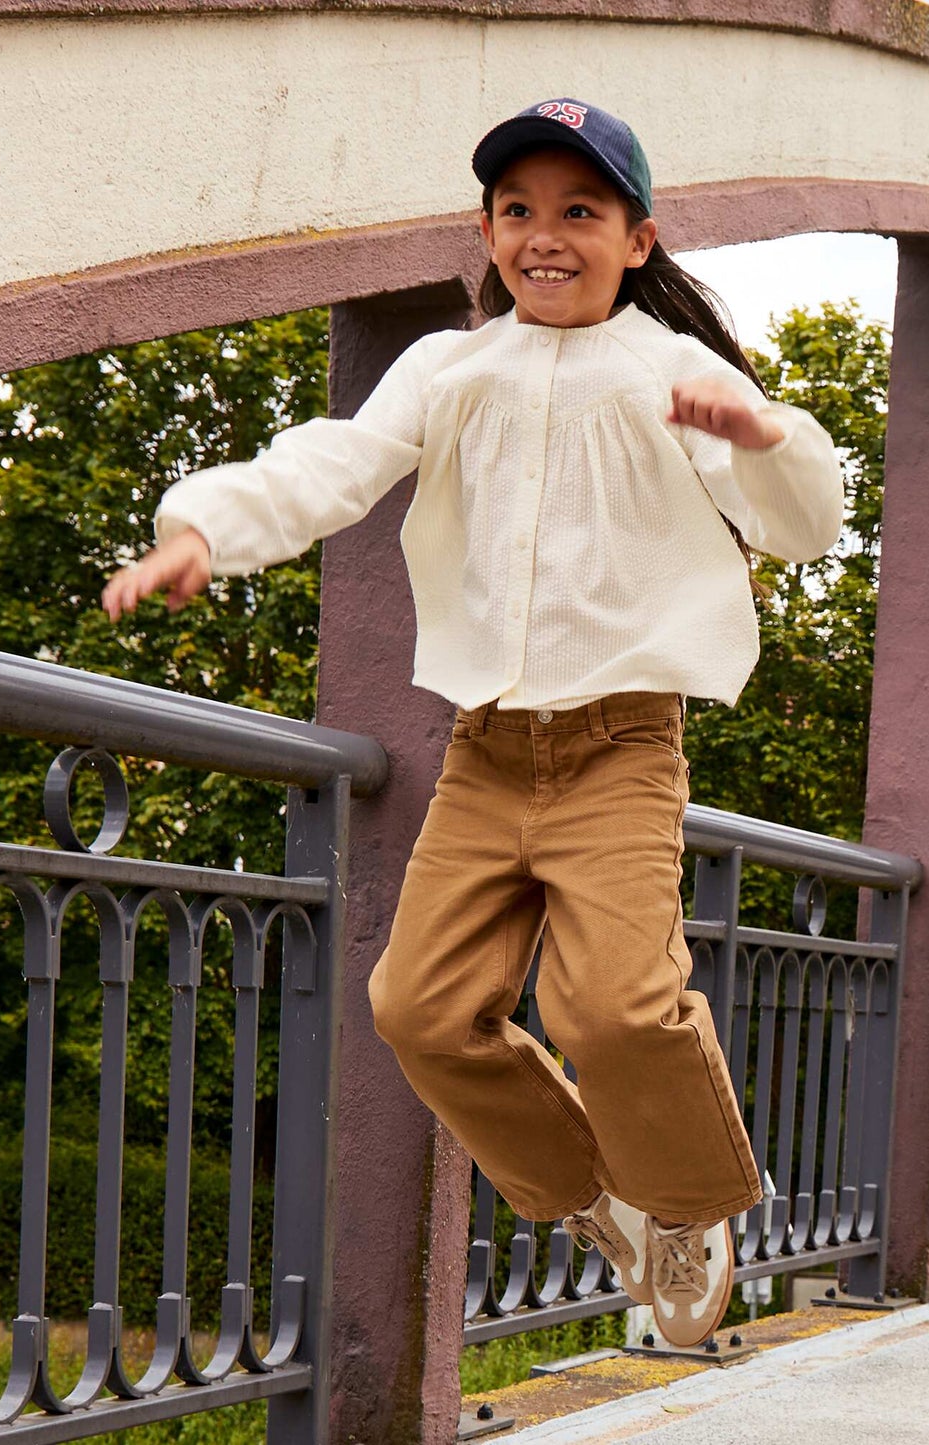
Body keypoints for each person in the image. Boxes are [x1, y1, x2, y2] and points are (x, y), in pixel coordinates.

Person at [102, 98, 843, 1349]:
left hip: (617, 742)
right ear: (486, 230)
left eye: (578, 213)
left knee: (613, 1005)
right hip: (487, 751)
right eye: (516, 212)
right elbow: (330, 464)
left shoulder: (674, 373)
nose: (543, 236)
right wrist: (203, 528)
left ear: (637, 240)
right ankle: (588, 1190)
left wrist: (765, 433)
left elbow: (801, 523)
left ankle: (685, 1203)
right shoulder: (448, 368)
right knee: (418, 1006)